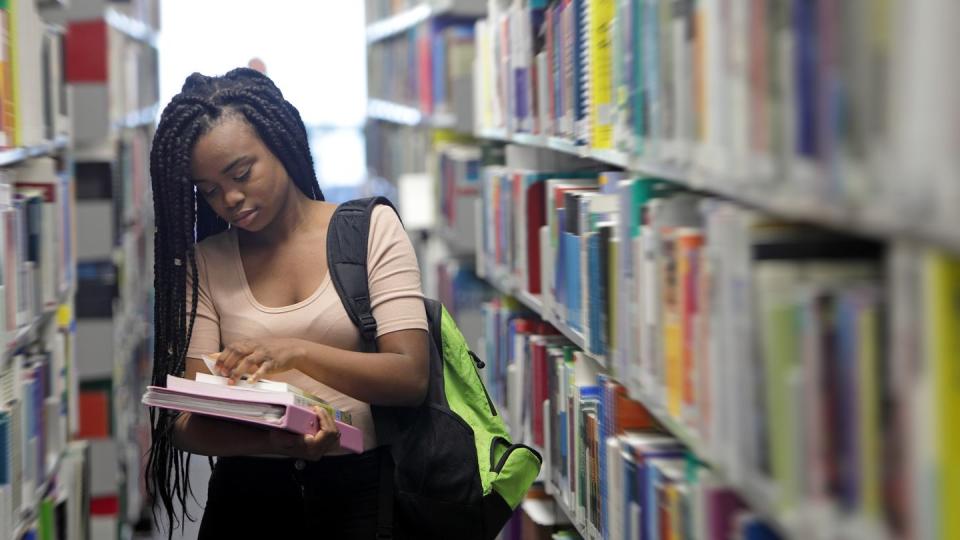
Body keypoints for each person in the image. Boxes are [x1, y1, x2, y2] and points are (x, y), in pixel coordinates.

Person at [146, 68, 429, 539]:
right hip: (248, 500)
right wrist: (275, 441)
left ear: (281, 142)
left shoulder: (369, 230)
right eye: (209, 190)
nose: (230, 199)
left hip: (365, 496)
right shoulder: (206, 263)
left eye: (241, 174)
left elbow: (410, 376)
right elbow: (185, 421)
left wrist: (296, 351)